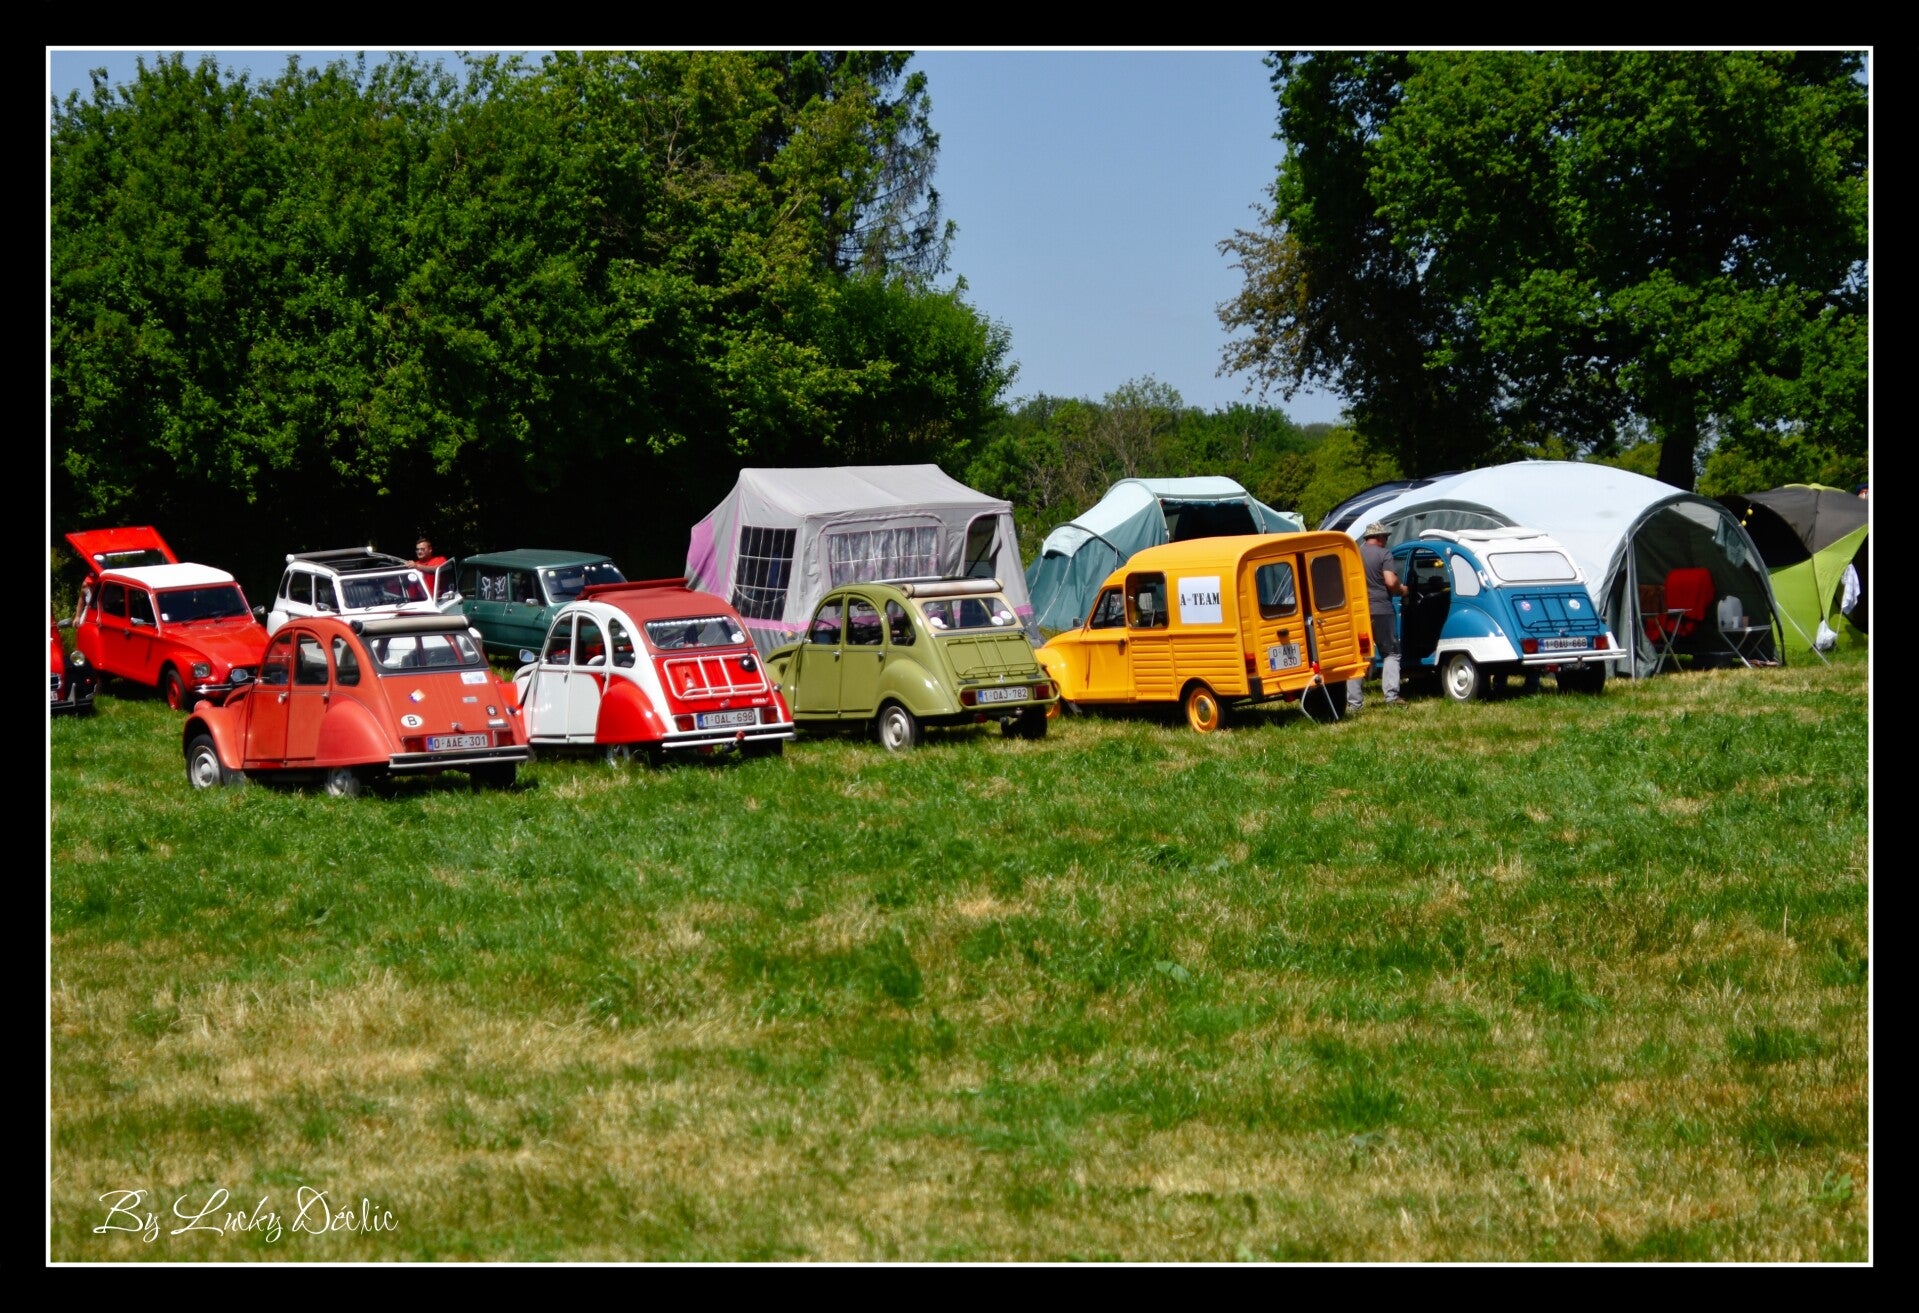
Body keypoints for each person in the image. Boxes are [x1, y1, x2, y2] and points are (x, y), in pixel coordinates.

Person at [1347, 522, 1409, 712]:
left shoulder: (1354, 554)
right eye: (1386, 537)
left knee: (1359, 656)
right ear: (1380, 537)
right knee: (1391, 652)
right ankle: (1391, 697)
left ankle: (1354, 704)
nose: (1386, 540)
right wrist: (1402, 589)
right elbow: (1390, 581)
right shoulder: (1384, 554)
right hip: (1381, 608)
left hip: (1358, 611)